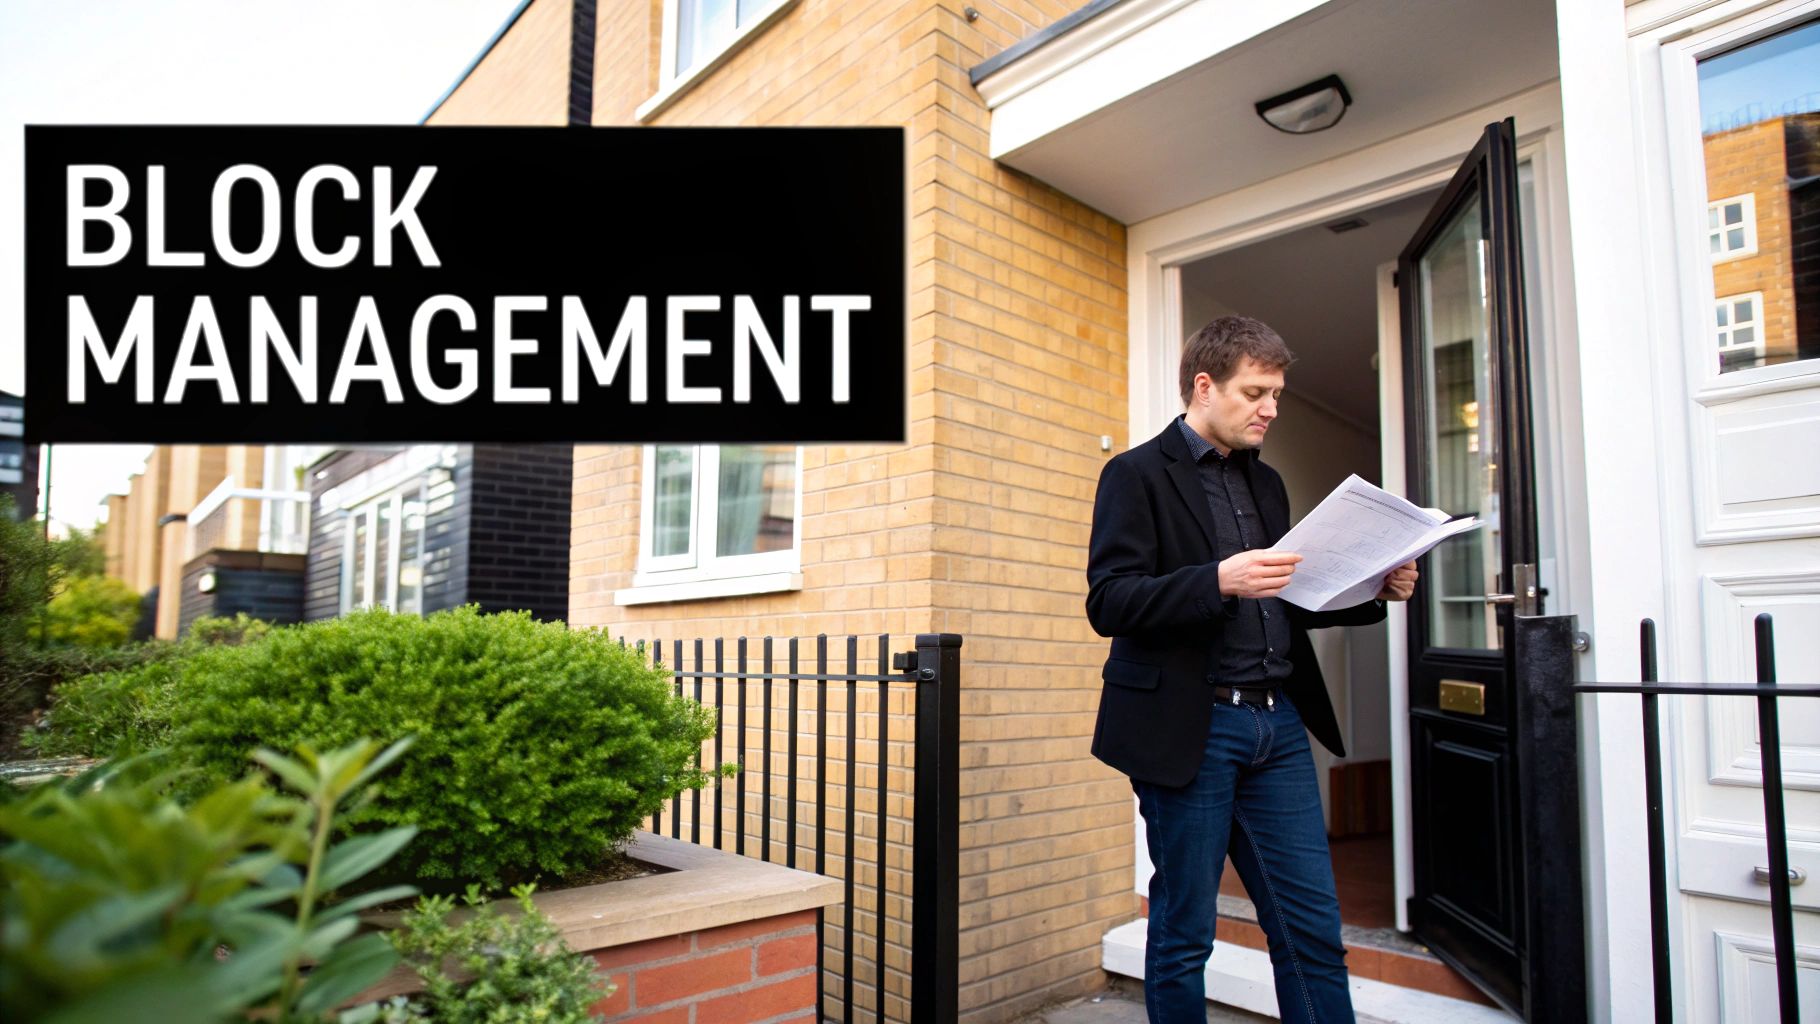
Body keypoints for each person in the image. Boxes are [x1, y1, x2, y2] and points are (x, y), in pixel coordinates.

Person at [1085, 315, 1418, 1023]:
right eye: (1255, 391)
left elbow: (1289, 600)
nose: (1270, 408)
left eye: (1277, 394)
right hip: (1192, 729)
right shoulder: (1135, 474)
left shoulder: (1268, 486)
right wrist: (1216, 580)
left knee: (1312, 934)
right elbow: (1109, 600)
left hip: (1279, 727)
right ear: (1204, 387)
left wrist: (1372, 588)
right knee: (1184, 934)